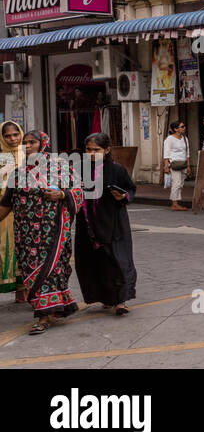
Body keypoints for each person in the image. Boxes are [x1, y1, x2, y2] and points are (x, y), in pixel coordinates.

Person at [0, 132, 83, 334]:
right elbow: (5, 206)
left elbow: (79, 192)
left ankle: (43, 316)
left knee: (49, 271)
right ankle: (49, 308)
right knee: (31, 273)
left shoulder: (61, 169)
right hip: (25, 237)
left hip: (52, 233)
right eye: (25, 143)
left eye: (32, 142)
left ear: (43, 144)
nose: (27, 146)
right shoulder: (17, 174)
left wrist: (62, 194)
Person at [74, 132, 137, 316]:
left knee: (118, 260)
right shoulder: (79, 168)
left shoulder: (117, 170)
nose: (92, 153)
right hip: (87, 223)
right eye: (88, 150)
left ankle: (121, 300)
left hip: (113, 221)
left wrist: (123, 196)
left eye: (97, 150)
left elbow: (130, 189)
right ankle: (106, 297)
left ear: (107, 150)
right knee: (94, 261)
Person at [0, 121, 24, 299]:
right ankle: (17, 289)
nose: (12, 139)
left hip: (26, 210)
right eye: (7, 136)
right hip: (4, 210)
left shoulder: (29, 153)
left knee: (26, 247)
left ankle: (23, 290)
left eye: (15, 134)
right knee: (7, 247)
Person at [163, 121, 190, 211]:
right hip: (174, 164)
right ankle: (174, 204)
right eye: (182, 126)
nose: (184, 128)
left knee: (181, 184)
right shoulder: (169, 139)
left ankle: (176, 202)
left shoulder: (185, 138)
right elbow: (166, 153)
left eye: (184, 126)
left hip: (183, 164)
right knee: (176, 183)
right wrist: (166, 166)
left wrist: (188, 166)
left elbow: (187, 153)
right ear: (176, 129)